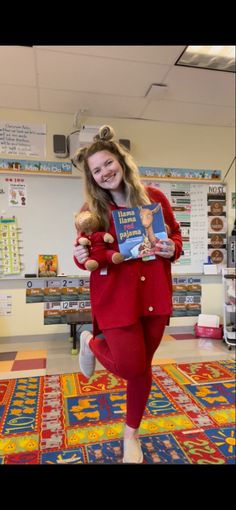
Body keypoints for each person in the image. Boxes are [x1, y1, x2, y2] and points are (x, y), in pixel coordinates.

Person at [72, 125, 183, 463]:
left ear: (121, 161)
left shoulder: (155, 199)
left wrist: (169, 248)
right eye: (97, 170)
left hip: (155, 297)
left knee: (142, 368)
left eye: (109, 163)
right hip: (116, 300)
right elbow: (84, 254)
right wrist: (79, 258)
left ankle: (130, 433)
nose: (105, 172)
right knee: (131, 368)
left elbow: (176, 239)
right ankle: (91, 341)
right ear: (92, 177)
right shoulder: (92, 212)